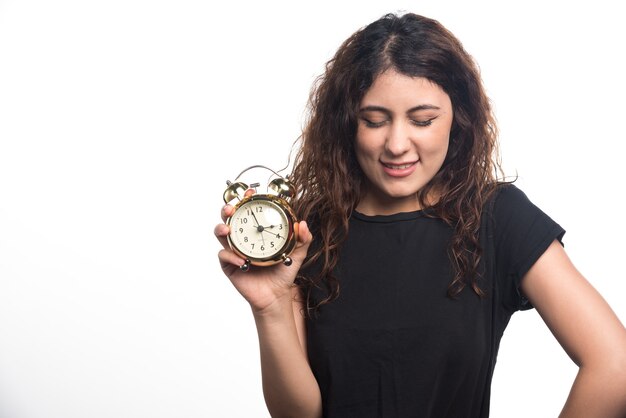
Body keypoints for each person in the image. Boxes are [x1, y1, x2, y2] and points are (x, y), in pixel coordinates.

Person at [215, 12, 626, 418]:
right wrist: (270, 310)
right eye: (374, 121)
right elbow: (299, 415)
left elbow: (615, 366)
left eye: (423, 120)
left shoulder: (496, 217)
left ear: (457, 119)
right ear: (346, 123)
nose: (397, 144)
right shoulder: (304, 232)